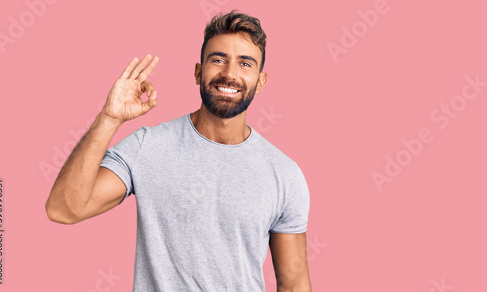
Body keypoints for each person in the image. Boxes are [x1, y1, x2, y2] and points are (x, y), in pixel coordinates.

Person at [45, 10, 312, 291]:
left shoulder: (284, 174)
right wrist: (109, 119)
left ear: (260, 81)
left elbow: (294, 283)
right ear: (198, 72)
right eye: (218, 60)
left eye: (245, 64)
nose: (229, 73)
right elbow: (64, 209)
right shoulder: (147, 147)